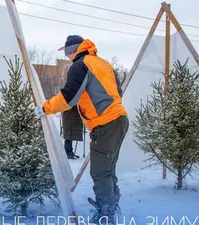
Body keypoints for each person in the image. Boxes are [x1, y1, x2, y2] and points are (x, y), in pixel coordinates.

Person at [34, 35, 129, 224]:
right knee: (108, 168)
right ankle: (111, 203)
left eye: (68, 53)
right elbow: (118, 92)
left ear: (73, 51)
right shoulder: (102, 63)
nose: (68, 57)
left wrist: (44, 108)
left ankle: (106, 213)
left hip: (105, 123)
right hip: (120, 119)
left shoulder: (80, 65)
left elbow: (68, 98)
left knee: (100, 171)